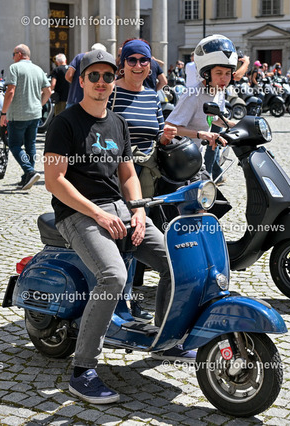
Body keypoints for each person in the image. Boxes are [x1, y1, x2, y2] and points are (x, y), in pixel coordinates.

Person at [44, 49, 191, 404]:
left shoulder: (118, 123)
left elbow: (128, 176)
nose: (101, 82)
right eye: (93, 76)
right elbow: (54, 181)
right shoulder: (64, 123)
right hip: (77, 212)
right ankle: (82, 371)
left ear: (114, 81)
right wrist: (98, 214)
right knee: (113, 276)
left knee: (177, 262)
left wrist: (138, 211)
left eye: (108, 76)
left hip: (121, 209)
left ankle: (166, 339)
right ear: (81, 81)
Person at [108, 38, 177, 319]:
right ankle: (117, 301)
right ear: (122, 64)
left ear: (150, 65)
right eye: (132, 60)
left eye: (143, 60)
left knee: (137, 236)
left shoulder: (151, 96)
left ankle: (129, 298)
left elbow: (158, 132)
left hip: (145, 177)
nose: (138, 65)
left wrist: (166, 136)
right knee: (121, 236)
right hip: (116, 175)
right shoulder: (111, 93)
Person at [165, 35, 237, 178]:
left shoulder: (218, 91)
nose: (224, 78)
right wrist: (201, 134)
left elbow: (215, 118)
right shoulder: (193, 95)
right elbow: (170, 128)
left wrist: (237, 125)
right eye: (219, 73)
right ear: (206, 74)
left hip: (196, 158)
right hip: (179, 160)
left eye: (228, 73)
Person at [0, 44, 51, 190]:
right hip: (35, 114)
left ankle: (29, 171)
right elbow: (48, 91)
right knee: (30, 145)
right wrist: (39, 104)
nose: (12, 57)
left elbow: (10, 91)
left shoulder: (14, 68)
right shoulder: (38, 69)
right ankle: (27, 177)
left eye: (13, 54)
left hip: (18, 114)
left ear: (19, 54)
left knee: (15, 145)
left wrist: (3, 113)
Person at [65, 42, 107, 108]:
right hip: (93, 102)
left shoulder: (79, 57)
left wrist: (77, 84)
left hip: (75, 98)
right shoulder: (103, 62)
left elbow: (68, 76)